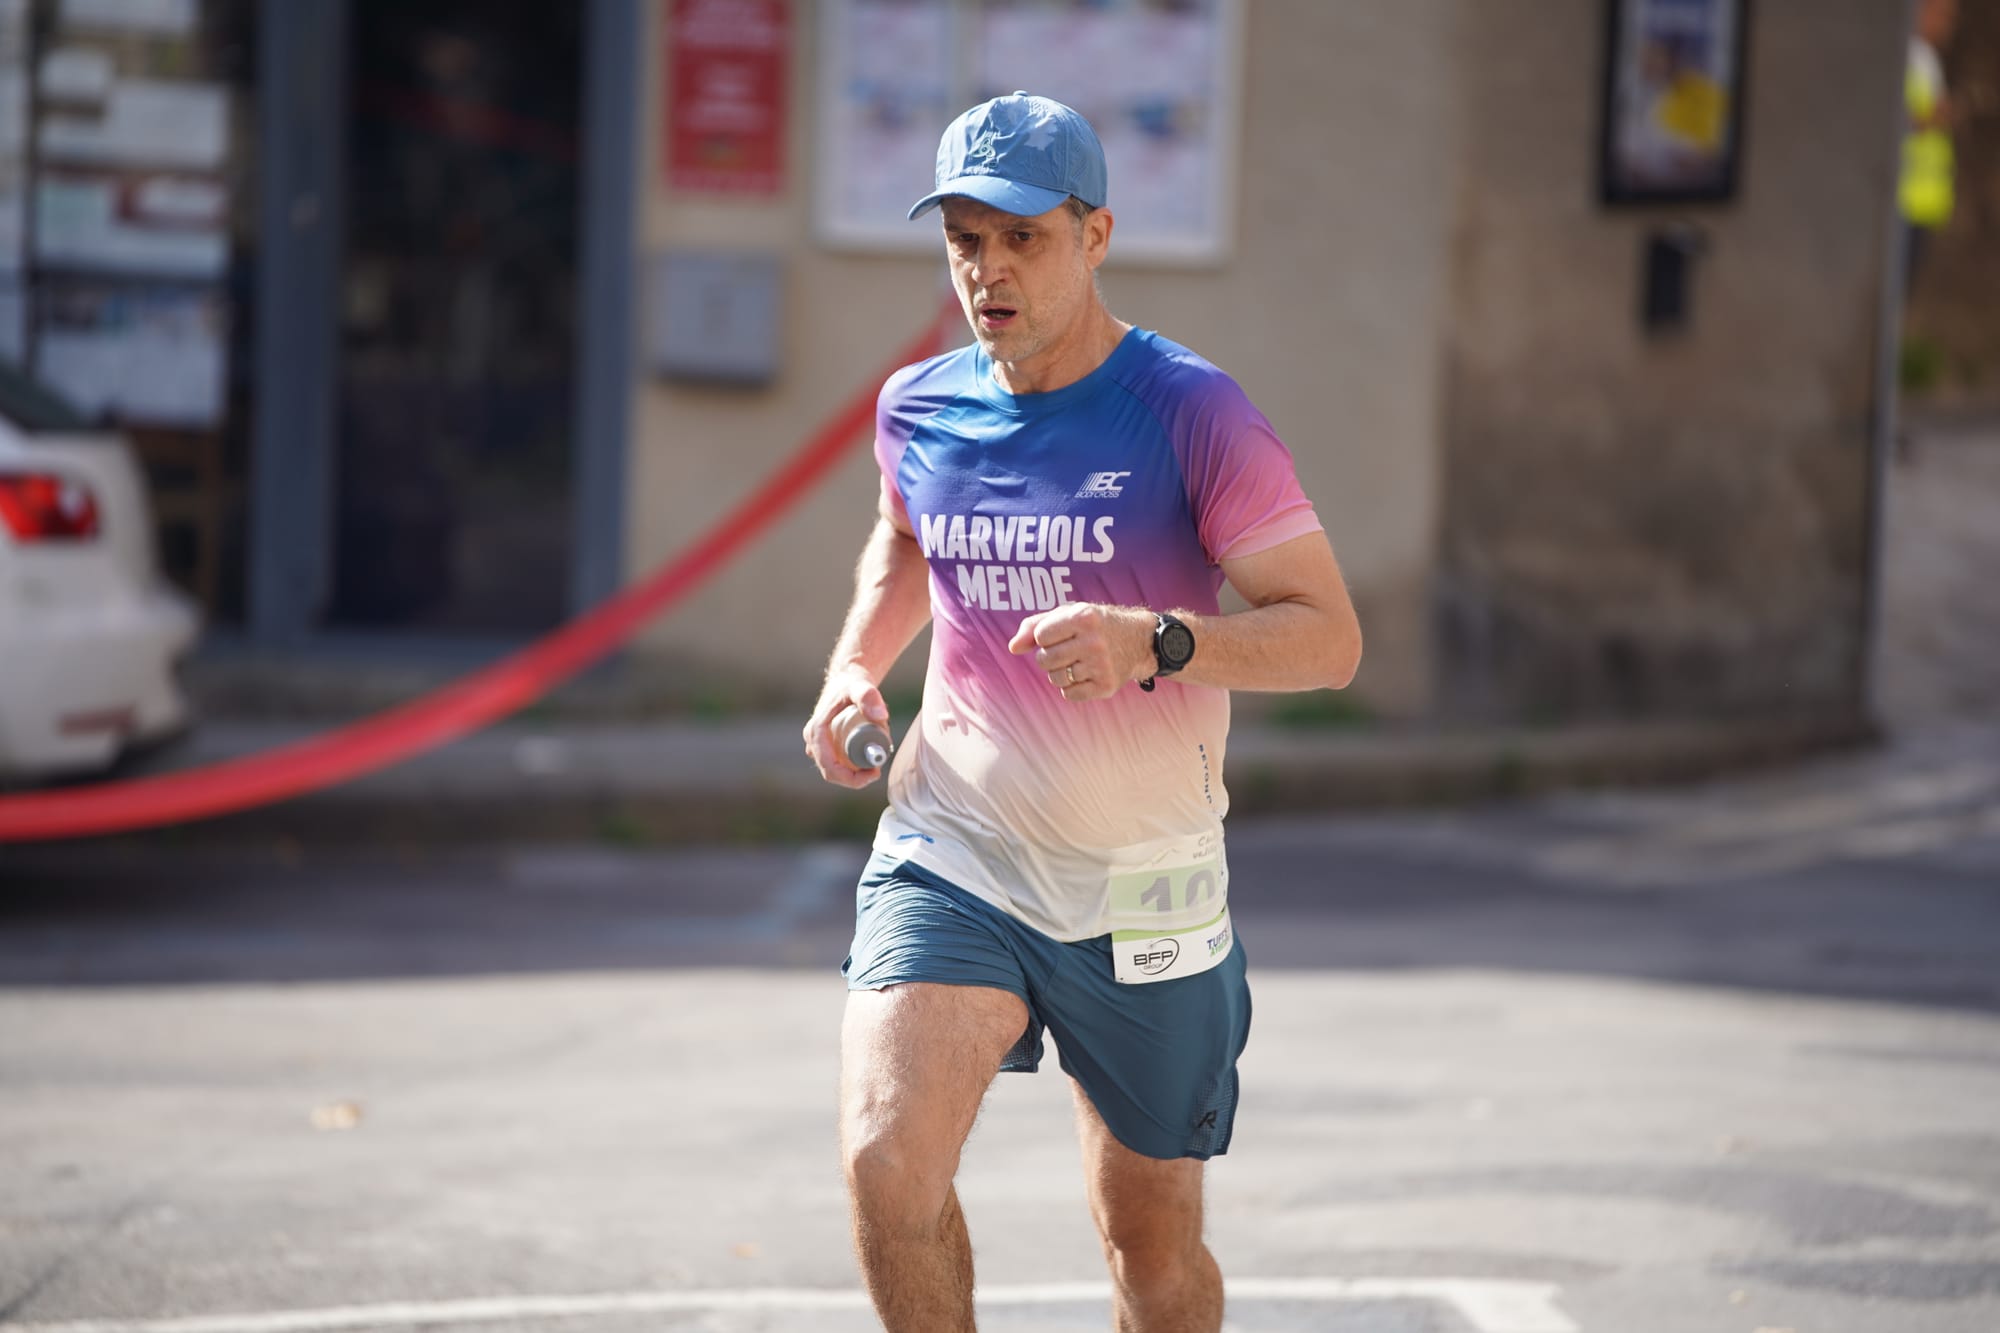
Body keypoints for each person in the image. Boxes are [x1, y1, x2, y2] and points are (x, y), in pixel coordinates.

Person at [802, 91, 1362, 1333]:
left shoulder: (1190, 411)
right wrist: (852, 669)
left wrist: (1156, 642)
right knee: (886, 1162)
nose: (986, 271)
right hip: (958, 849)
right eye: (964, 240)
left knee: (1148, 1255)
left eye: (1022, 238)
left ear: (1094, 235)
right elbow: (906, 541)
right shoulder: (918, 406)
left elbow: (1328, 638)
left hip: (1143, 884)